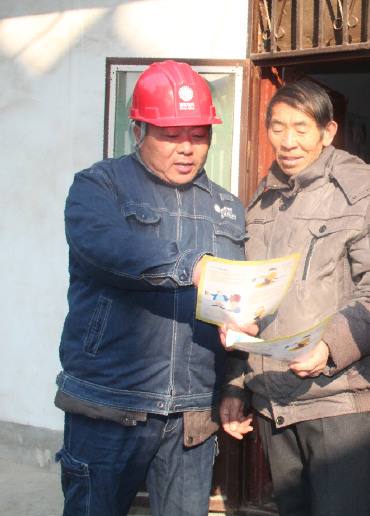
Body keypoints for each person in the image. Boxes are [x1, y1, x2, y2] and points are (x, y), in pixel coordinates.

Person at [54, 60, 249, 516]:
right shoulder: (99, 185)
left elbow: (236, 298)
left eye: (198, 135)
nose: (187, 148)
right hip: (111, 401)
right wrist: (193, 266)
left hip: (193, 411)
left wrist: (235, 377)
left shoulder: (227, 207)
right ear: (137, 130)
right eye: (171, 135)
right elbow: (108, 247)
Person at [219, 81, 370, 516]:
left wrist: (329, 347)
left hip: (335, 398)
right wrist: (236, 382)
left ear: (328, 132)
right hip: (272, 400)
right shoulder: (261, 203)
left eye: (301, 128)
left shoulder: (367, 196)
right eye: (277, 127)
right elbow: (246, 299)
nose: (288, 141)